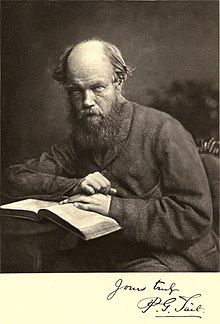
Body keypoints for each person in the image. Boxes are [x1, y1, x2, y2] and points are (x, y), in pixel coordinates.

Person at [3, 39, 219, 272]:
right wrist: (74, 186)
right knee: (54, 273)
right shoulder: (80, 139)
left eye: (97, 88)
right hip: (107, 255)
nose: (86, 102)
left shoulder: (165, 130)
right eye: (76, 91)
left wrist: (111, 207)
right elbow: (13, 179)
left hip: (171, 256)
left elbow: (194, 216)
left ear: (119, 81)